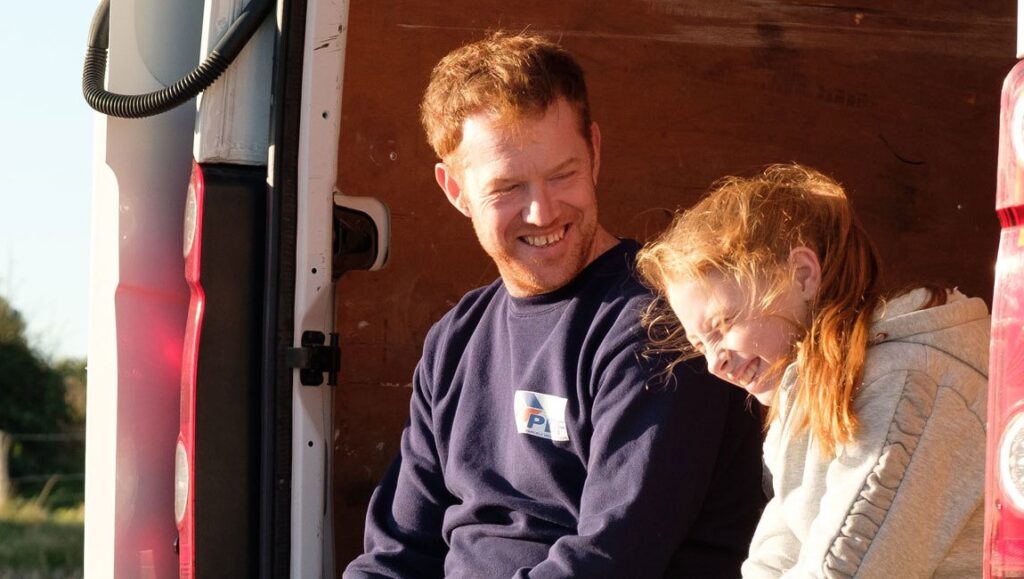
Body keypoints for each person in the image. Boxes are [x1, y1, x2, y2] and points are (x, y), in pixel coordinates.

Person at [343, 32, 767, 578]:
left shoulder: (661, 327)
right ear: (456, 191)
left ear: (595, 152)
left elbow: (609, 562)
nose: (542, 212)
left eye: (563, 174)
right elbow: (396, 555)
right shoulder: (454, 341)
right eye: (508, 188)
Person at [636, 163, 990, 577]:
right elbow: (774, 558)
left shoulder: (907, 385)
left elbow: (845, 568)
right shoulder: (809, 393)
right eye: (700, 345)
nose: (716, 362)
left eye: (723, 325)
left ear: (802, 275)